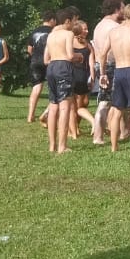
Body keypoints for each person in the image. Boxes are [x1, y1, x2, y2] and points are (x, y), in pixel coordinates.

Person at [97, 3, 130, 155]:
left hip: (119, 71)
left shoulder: (113, 32)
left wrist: (103, 74)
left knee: (117, 110)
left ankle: (114, 146)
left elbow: (102, 54)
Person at [90, 0, 125, 145]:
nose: (124, 11)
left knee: (110, 101)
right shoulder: (114, 27)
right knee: (105, 102)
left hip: (101, 65)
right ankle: (98, 137)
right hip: (110, 65)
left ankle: (120, 131)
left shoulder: (99, 25)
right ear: (117, 9)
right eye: (123, 7)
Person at [42, 9, 77, 153]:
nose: (74, 24)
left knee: (53, 106)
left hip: (51, 68)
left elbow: (45, 59)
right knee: (64, 107)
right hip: (63, 68)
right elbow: (70, 55)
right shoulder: (68, 34)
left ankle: (52, 145)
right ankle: (62, 146)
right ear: (67, 21)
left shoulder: (51, 35)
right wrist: (79, 57)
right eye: (74, 21)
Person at [25, 11, 56, 123]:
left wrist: (35, 56)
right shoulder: (53, 31)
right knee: (54, 88)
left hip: (35, 61)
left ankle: (30, 115)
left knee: (36, 87)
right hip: (49, 61)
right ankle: (47, 113)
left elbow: (29, 49)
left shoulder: (34, 31)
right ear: (52, 20)